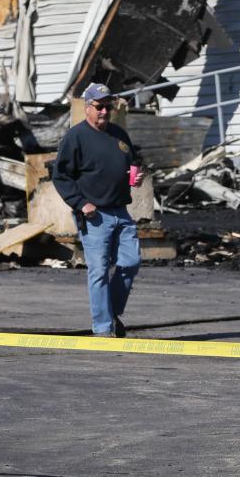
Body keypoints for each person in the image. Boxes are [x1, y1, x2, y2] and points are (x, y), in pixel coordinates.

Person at [53, 83, 145, 338]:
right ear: (87, 108)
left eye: (108, 106)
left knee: (131, 262)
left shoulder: (119, 134)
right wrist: (81, 203)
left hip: (121, 211)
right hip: (94, 216)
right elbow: (60, 176)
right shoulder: (76, 137)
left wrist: (137, 177)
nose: (105, 111)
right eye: (99, 107)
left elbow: (134, 163)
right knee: (99, 271)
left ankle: (110, 312)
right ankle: (103, 329)